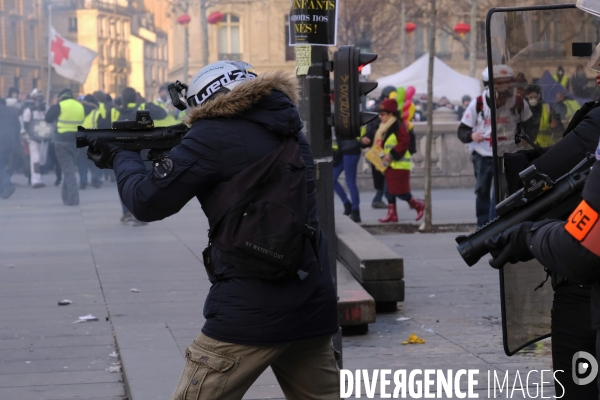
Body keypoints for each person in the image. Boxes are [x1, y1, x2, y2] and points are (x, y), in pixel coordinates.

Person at [85, 61, 340, 399]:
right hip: (311, 299)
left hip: (250, 306)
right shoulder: (291, 130)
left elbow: (146, 202)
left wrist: (123, 156)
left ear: (206, 100)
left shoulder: (213, 134)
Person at [457, 66, 532, 227]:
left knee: (500, 192)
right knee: (482, 190)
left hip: (509, 153)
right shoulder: (478, 104)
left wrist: (526, 137)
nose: (504, 99)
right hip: (483, 154)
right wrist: (472, 136)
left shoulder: (518, 101)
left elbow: (530, 123)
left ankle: (495, 225)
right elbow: (462, 130)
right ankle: (482, 226)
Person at [114, 87, 167, 225]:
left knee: (125, 181)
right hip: (143, 150)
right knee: (143, 181)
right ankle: (140, 214)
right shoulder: (143, 107)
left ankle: (126, 212)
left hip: (123, 152)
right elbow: (162, 114)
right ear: (136, 97)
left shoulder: (116, 111)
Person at [364, 98, 424, 222]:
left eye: (383, 114)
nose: (380, 117)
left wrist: (391, 155)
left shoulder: (398, 126)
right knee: (388, 191)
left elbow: (404, 142)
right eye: (379, 114)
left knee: (401, 192)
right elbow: (374, 137)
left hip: (398, 165)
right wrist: (365, 140)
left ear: (391, 114)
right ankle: (392, 214)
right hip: (388, 165)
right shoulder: (383, 126)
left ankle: (418, 205)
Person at [45, 89, 95, 206]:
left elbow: (47, 118)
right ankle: (66, 197)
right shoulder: (80, 106)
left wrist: (55, 104)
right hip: (76, 141)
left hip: (62, 141)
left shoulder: (59, 106)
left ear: (61, 97)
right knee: (69, 168)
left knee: (68, 170)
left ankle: (73, 198)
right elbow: (93, 108)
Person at [363, 86, 397, 209]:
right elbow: (373, 128)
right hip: (380, 148)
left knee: (383, 174)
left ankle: (379, 198)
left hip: (379, 147)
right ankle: (401, 199)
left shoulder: (379, 107)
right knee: (385, 174)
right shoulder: (383, 108)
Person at [22, 89, 50, 188]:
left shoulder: (46, 108)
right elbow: (25, 124)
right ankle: (35, 180)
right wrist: (26, 136)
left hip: (44, 137)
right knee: (35, 159)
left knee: (42, 159)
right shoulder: (29, 110)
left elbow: (50, 121)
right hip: (33, 138)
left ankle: (39, 178)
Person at [333, 136, 362, 222]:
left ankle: (356, 211)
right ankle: (347, 204)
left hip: (351, 150)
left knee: (350, 181)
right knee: (331, 178)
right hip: (341, 151)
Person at [78, 94, 103, 189]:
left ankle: (83, 182)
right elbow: (101, 127)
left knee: (82, 161)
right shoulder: (96, 113)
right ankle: (95, 180)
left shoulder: (79, 111)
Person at [0, 97, 21, 199]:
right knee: (3, 165)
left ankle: (8, 185)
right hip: (10, 143)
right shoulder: (11, 111)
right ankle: (2, 190)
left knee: (0, 166)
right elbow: (18, 127)